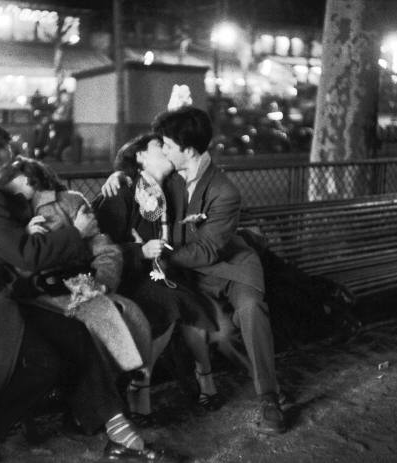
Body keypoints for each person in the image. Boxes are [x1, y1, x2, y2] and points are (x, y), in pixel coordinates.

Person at [0, 124, 176, 462]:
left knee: (72, 334)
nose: (16, 166)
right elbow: (26, 254)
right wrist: (75, 233)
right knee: (47, 358)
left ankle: (122, 436)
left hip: (1, 296)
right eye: (7, 163)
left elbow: (25, 248)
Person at [102, 107, 288, 435]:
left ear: (187, 151)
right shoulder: (169, 177)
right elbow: (138, 176)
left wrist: (157, 256)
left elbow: (206, 251)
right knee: (221, 333)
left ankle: (269, 398)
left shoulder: (223, 191)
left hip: (229, 267)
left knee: (249, 310)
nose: (164, 149)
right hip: (190, 275)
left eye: (168, 145)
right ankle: (186, 382)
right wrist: (120, 174)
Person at [94, 132, 222, 427]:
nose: (166, 150)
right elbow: (99, 248)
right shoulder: (122, 192)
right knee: (174, 300)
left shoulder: (174, 188)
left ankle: (201, 379)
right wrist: (139, 250)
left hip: (167, 272)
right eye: (158, 146)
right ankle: (143, 387)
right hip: (130, 278)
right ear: (140, 156)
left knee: (182, 298)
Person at [4, 155, 152, 374]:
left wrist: (102, 282)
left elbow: (105, 250)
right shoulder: (3, 213)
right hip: (34, 293)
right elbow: (15, 260)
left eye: (11, 176)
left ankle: (128, 383)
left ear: (29, 178)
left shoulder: (68, 202)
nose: (4, 183)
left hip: (76, 285)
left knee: (125, 312)